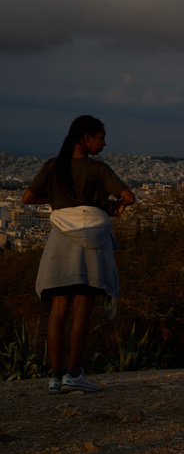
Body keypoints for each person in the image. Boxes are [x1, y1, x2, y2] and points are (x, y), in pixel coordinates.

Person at [22, 115, 136, 394]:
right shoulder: (99, 170)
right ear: (87, 138)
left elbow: (27, 198)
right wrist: (113, 207)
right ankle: (74, 374)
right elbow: (130, 197)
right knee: (82, 310)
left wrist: (59, 201)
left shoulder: (53, 166)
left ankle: (55, 376)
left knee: (58, 311)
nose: (104, 143)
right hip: (91, 246)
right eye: (101, 137)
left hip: (60, 242)